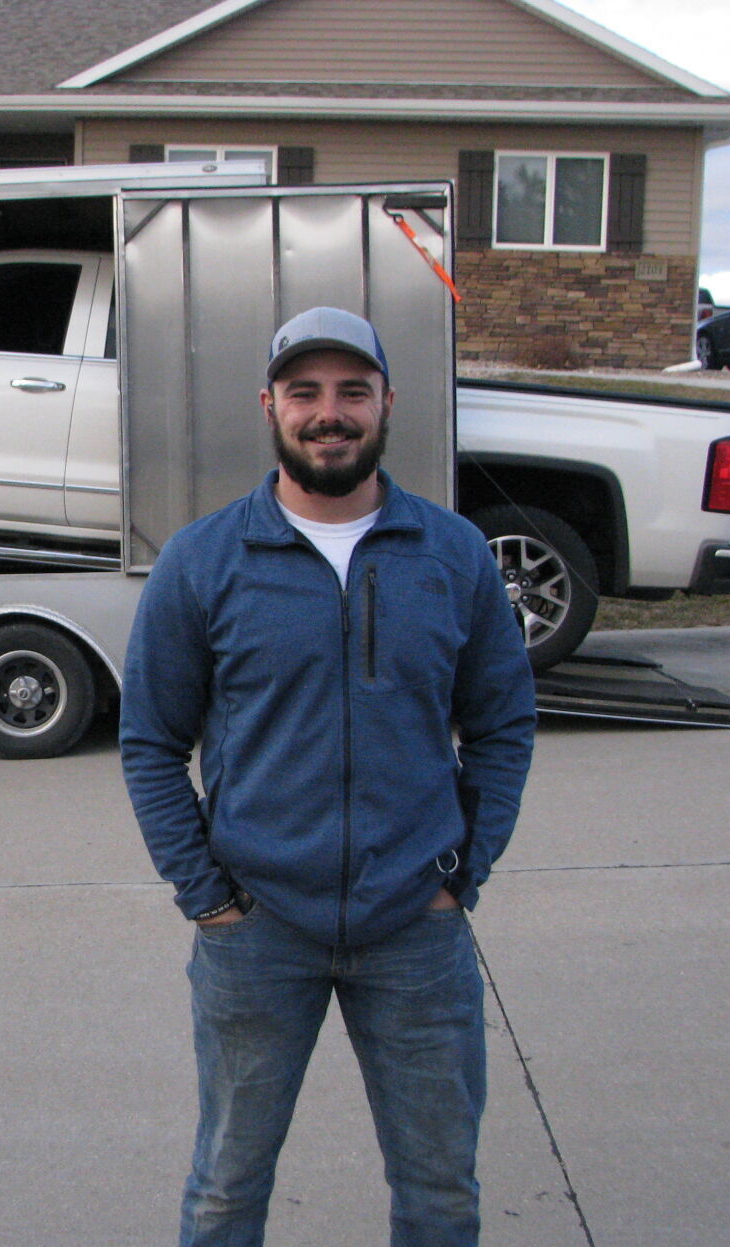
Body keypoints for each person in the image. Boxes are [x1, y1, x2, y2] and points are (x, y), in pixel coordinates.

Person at [119, 307, 536, 1247]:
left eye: (352, 391)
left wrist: (461, 873)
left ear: (388, 403)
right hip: (257, 931)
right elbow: (150, 739)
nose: (329, 413)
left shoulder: (453, 556)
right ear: (270, 406)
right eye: (304, 392)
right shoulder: (204, 561)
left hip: (414, 932)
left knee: (440, 1192)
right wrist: (207, 895)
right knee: (225, 1188)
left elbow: (504, 723)